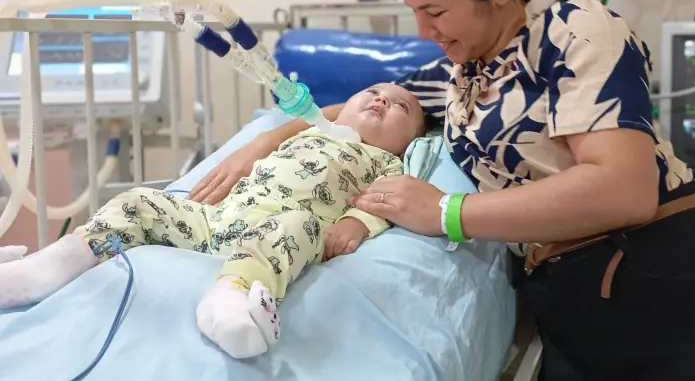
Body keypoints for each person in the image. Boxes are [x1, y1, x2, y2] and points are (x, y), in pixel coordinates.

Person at [188, 0, 695, 380]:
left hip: (670, 288)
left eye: (437, 11)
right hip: (570, 300)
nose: (426, 32)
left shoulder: (575, 30)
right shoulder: (464, 69)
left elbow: (625, 188)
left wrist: (447, 213)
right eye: (414, 14)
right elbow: (355, 107)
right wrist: (259, 144)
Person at [0, 83, 426, 360]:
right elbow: (305, 119)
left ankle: (230, 296)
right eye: (373, 92)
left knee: (298, 225)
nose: (382, 100)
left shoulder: (387, 161)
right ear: (341, 107)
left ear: (410, 140)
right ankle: (60, 261)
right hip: (212, 219)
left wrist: (356, 222)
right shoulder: (306, 130)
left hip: (274, 230)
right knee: (141, 201)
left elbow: (385, 201)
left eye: (401, 107)